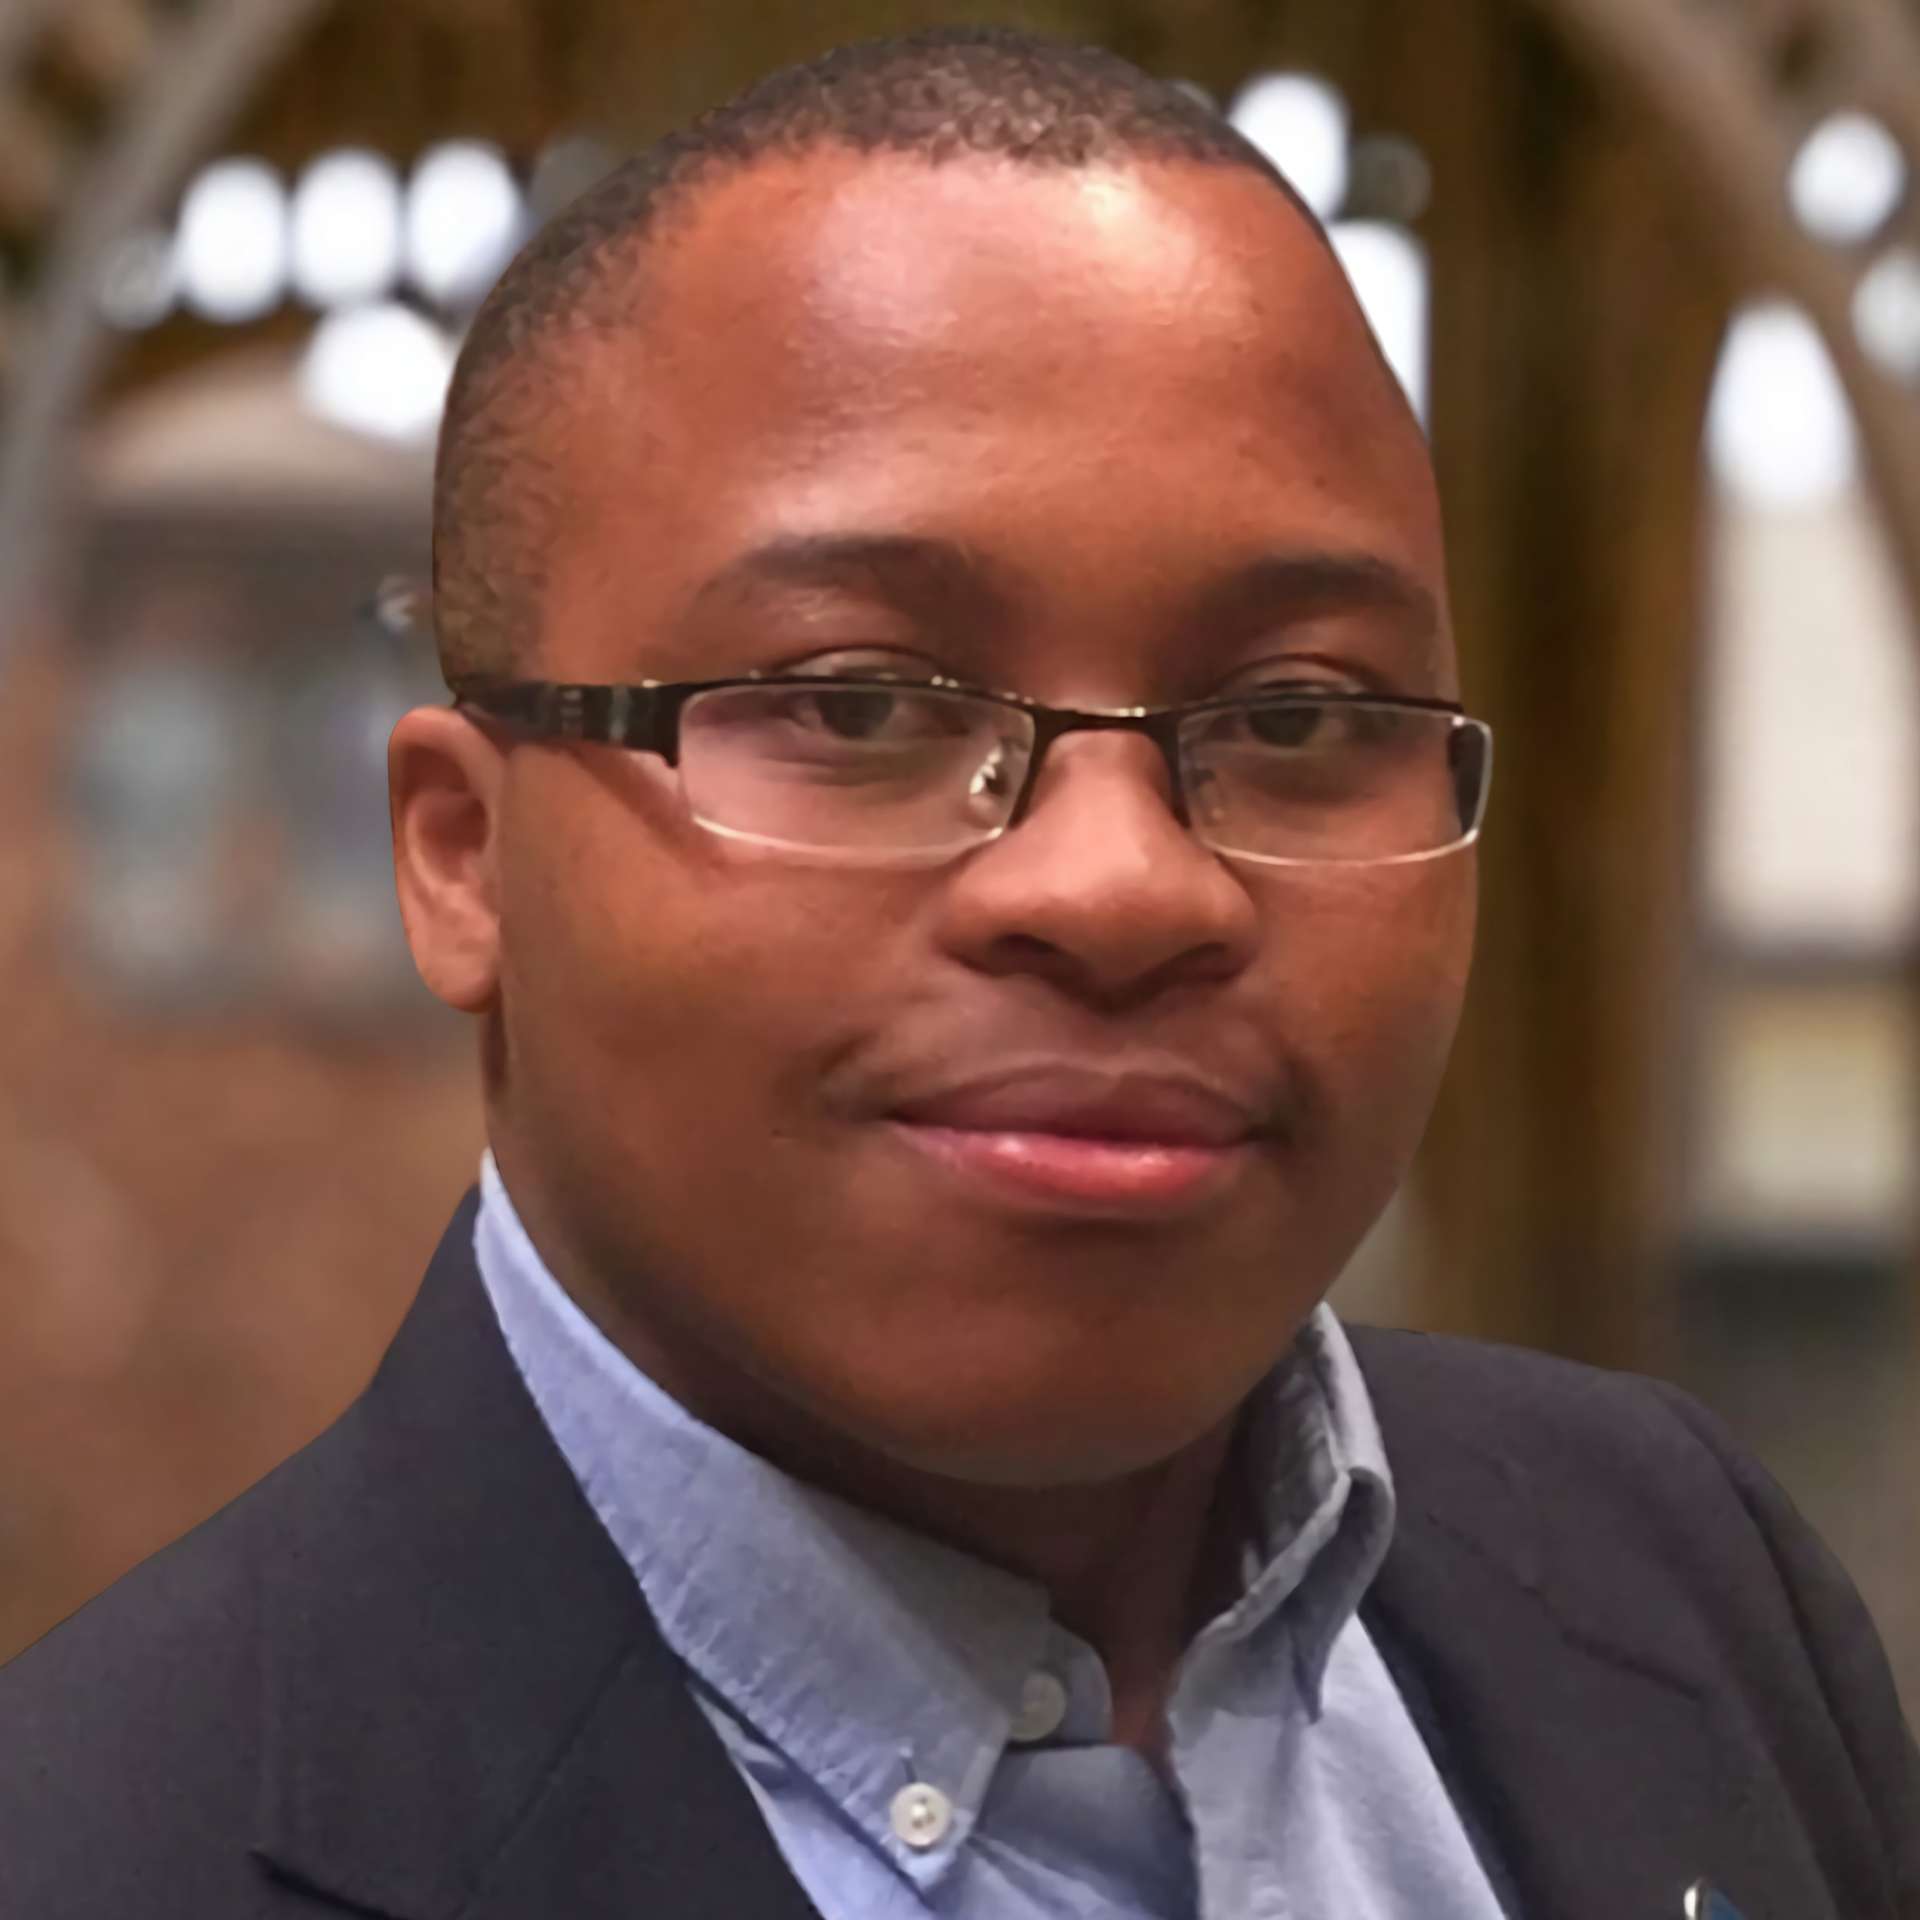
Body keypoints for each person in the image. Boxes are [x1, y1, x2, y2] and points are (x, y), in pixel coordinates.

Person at [3, 27, 1915, 1920]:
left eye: (1298, 713)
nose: (1123, 886)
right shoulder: (105, 1855)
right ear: (463, 856)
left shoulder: (1680, 1586)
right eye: (859, 703)